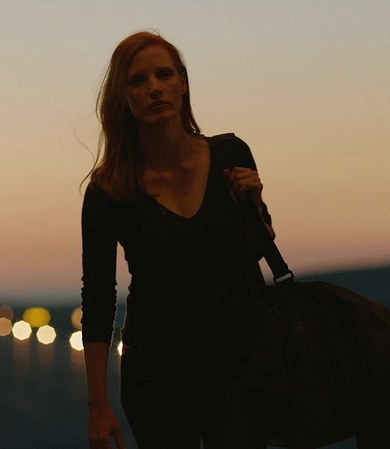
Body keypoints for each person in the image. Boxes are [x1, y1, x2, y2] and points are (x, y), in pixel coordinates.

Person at [80, 30, 274, 449]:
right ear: (123, 98)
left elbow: (256, 251)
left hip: (240, 361)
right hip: (157, 373)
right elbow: (97, 298)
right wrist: (98, 405)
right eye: (138, 80)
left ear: (182, 82)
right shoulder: (110, 189)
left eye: (164, 75)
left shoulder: (230, 155)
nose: (155, 88)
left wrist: (255, 203)